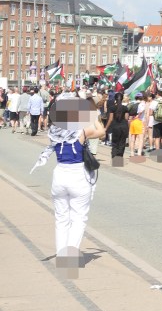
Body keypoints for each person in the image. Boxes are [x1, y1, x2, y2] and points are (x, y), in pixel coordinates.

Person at [30, 95, 106, 268]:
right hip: (78, 175)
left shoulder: (54, 130)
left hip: (59, 174)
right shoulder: (82, 130)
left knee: (61, 218)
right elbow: (101, 132)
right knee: (78, 218)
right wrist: (93, 115)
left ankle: (61, 255)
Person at [108, 94, 129, 161]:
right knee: (122, 143)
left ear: (115, 99)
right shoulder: (125, 108)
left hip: (115, 127)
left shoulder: (112, 108)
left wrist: (106, 127)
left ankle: (114, 157)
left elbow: (111, 119)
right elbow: (126, 118)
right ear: (122, 99)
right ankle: (119, 158)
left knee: (115, 144)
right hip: (123, 127)